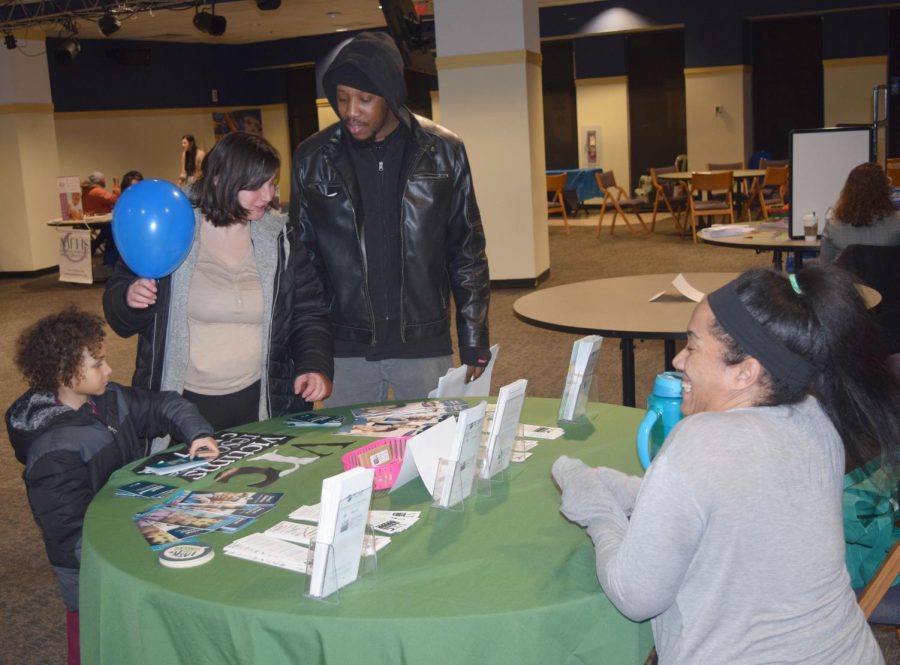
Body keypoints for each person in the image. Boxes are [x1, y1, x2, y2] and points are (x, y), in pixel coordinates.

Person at [552, 266, 900, 664]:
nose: (678, 359)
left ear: (746, 372)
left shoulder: (699, 441)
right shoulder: (814, 418)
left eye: (693, 347)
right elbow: (722, 508)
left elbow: (635, 596)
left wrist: (595, 510)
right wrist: (618, 485)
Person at [5, 307, 218, 665]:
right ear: (64, 373)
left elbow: (165, 405)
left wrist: (198, 434)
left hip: (131, 533)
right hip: (93, 569)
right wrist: (122, 566)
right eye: (98, 364)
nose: (109, 369)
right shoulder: (53, 452)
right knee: (94, 642)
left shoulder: (107, 399)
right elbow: (70, 534)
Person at [291, 31, 490, 406]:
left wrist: (473, 336)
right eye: (342, 98)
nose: (351, 111)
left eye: (365, 100)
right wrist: (308, 348)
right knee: (345, 456)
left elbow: (466, 251)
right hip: (345, 350)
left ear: (391, 97)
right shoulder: (312, 158)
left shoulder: (444, 152)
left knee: (436, 453)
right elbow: (303, 262)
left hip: (423, 345)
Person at [104, 131, 333, 433]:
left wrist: (313, 365)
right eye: (255, 186)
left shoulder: (281, 239)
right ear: (219, 180)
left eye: (271, 184)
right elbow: (120, 315)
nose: (268, 196)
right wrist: (130, 298)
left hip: (262, 405)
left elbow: (308, 312)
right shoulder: (171, 225)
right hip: (182, 410)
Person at [819, 162, 900, 265]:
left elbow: (825, 268)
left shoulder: (833, 227)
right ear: (885, 189)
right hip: (889, 280)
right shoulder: (897, 224)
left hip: (848, 280)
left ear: (848, 191)